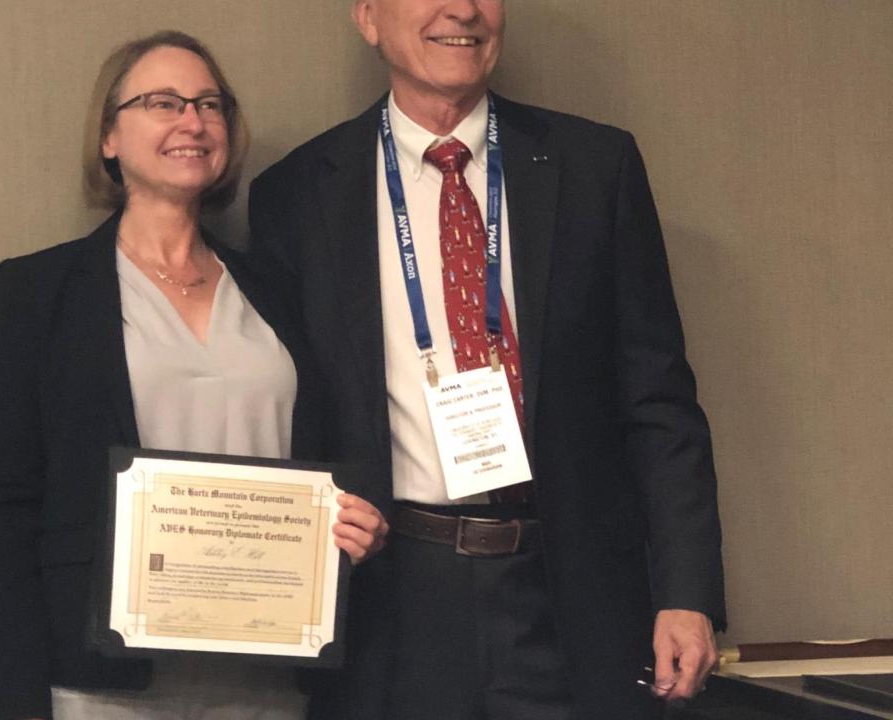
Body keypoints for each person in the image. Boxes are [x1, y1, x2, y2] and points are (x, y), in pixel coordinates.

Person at [247, 2, 726, 718]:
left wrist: (688, 594)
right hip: (391, 599)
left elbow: (657, 398)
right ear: (370, 17)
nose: (463, 8)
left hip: (569, 592)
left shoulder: (595, 166)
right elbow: (289, 411)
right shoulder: (295, 194)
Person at [0, 30, 388, 720]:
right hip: (102, 687)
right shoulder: (39, 292)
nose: (192, 122)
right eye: (163, 102)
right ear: (109, 136)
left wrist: (355, 520)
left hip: (268, 680)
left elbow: (335, 453)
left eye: (209, 104)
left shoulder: (280, 291)